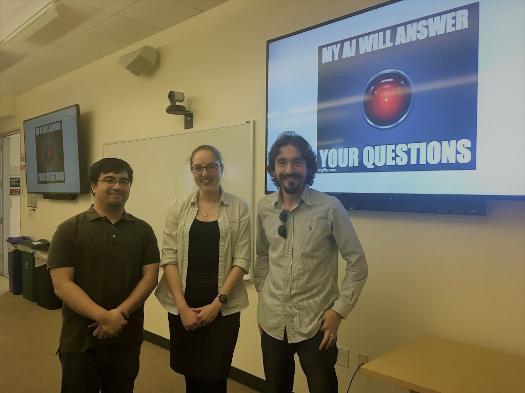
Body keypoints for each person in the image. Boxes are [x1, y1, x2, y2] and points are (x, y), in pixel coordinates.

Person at [253, 131, 368, 393]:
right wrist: (264, 297)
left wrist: (339, 311)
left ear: (307, 167)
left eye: (297, 162)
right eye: (282, 162)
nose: (289, 169)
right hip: (273, 323)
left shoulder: (330, 207)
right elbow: (260, 256)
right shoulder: (263, 208)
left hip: (316, 325)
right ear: (274, 168)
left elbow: (358, 264)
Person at [48, 157, 160, 393]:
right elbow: (62, 284)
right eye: (109, 180)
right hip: (80, 340)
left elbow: (149, 278)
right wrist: (104, 316)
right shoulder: (69, 229)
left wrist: (120, 314)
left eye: (124, 181)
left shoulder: (143, 230)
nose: (117, 186)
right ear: (93, 186)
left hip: (126, 337)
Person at [155, 145, 251, 393]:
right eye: (198, 168)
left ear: (221, 168)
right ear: (192, 171)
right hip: (183, 305)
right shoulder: (178, 207)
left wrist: (216, 305)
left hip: (223, 308)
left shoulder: (239, 208)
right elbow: (169, 258)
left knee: (215, 377)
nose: (205, 173)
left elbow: (242, 260)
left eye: (211, 166)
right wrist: (182, 307)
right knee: (192, 374)